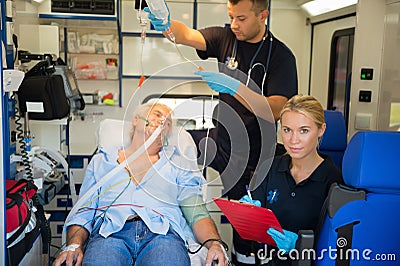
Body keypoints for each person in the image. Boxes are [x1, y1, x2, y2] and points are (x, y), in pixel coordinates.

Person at [145, 0, 298, 262]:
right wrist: (167, 24)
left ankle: (243, 258)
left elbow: (275, 109)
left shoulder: (281, 57)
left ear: (263, 15)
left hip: (255, 153)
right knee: (178, 142)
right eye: (231, 17)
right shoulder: (226, 38)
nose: (234, 25)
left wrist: (234, 86)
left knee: (246, 227)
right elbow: (186, 35)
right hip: (222, 138)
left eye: (241, 18)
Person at [52, 102, 227, 266]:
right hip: (109, 234)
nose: (161, 122)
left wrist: (215, 244)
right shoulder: (103, 162)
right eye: (157, 115)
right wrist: (73, 245)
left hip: (163, 235)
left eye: (167, 123)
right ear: (136, 120)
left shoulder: (177, 165)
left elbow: (196, 211)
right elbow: (84, 211)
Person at [240, 95, 344, 265]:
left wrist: (300, 246)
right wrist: (246, 213)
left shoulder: (335, 181)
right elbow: (253, 225)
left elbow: (339, 246)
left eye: (304, 131)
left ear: (321, 130)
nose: (293, 140)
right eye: (287, 130)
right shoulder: (270, 167)